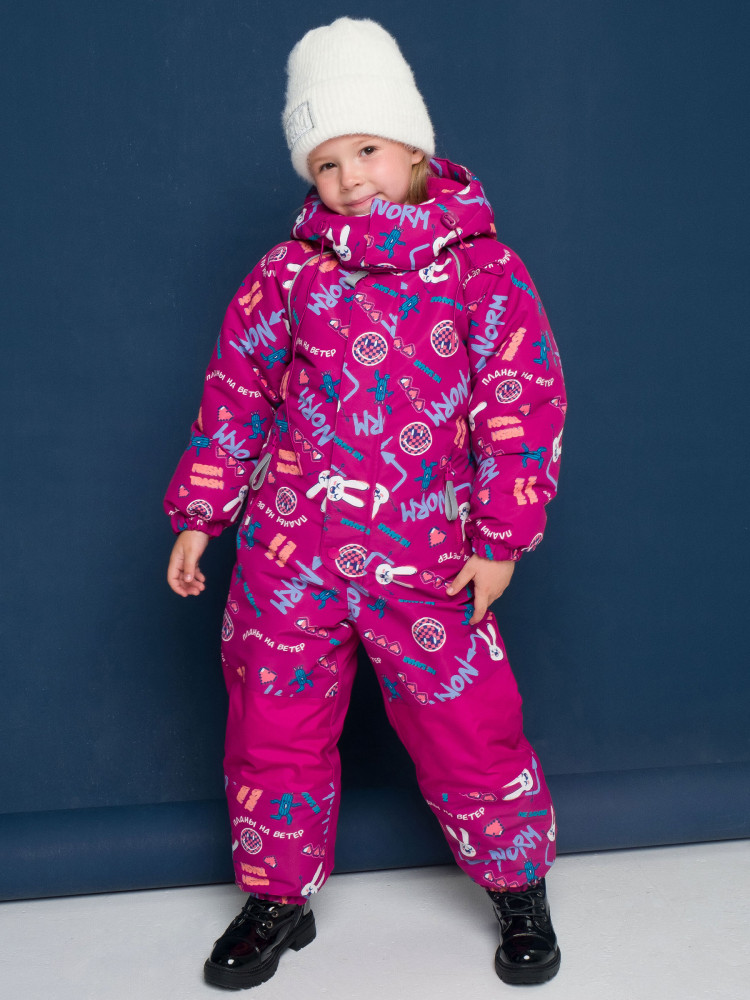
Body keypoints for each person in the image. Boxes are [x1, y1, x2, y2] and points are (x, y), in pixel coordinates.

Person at [165, 17, 566, 990]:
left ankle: (517, 884)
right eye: (327, 163)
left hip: (427, 558)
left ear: (414, 146)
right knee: (271, 730)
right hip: (290, 556)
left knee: (471, 728)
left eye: (368, 151)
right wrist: (201, 514)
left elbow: (520, 404)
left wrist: (501, 537)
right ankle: (277, 896)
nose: (350, 180)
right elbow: (237, 393)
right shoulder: (288, 275)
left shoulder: (482, 273)